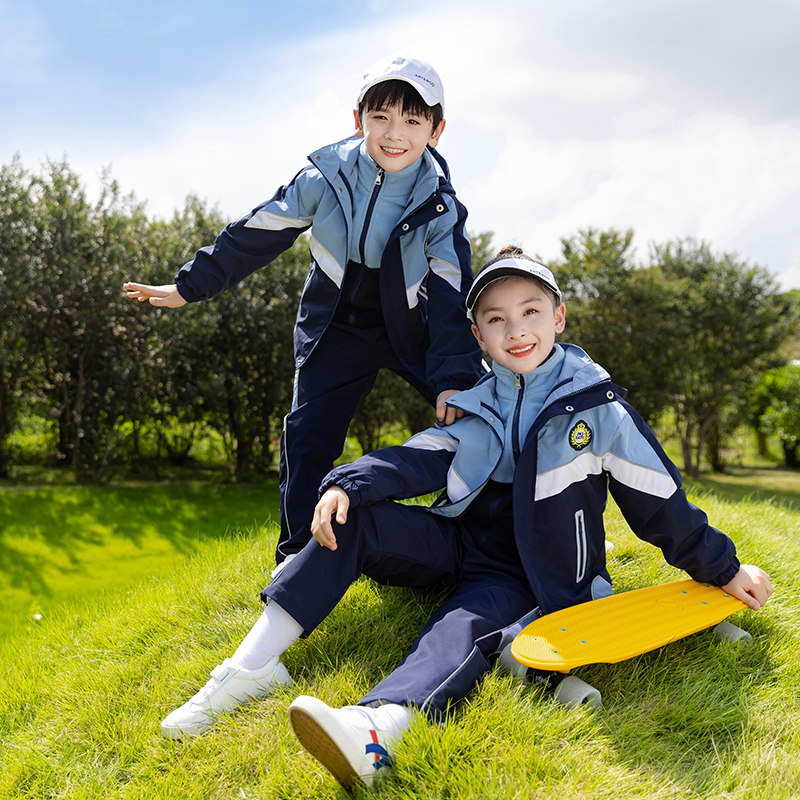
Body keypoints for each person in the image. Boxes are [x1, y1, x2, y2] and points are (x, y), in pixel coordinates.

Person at [158, 246, 773, 790]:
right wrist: (345, 483)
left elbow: (660, 502)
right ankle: (250, 668)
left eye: (531, 311)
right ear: (478, 335)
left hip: (527, 570)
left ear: (558, 317)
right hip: (459, 540)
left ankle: (378, 730)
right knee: (353, 517)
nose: (517, 329)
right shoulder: (476, 403)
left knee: (461, 626)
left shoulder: (600, 410)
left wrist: (723, 569)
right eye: (497, 319)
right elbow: (418, 458)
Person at [123, 55, 484, 565]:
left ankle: (495, 536)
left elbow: (451, 294)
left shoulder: (441, 205)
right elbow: (258, 231)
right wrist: (189, 286)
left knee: (479, 410)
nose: (394, 133)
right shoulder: (325, 176)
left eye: (412, 120)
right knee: (306, 438)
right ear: (358, 119)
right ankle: (296, 561)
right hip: (335, 322)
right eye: (380, 116)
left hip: (411, 326)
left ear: (436, 131)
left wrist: (453, 377)